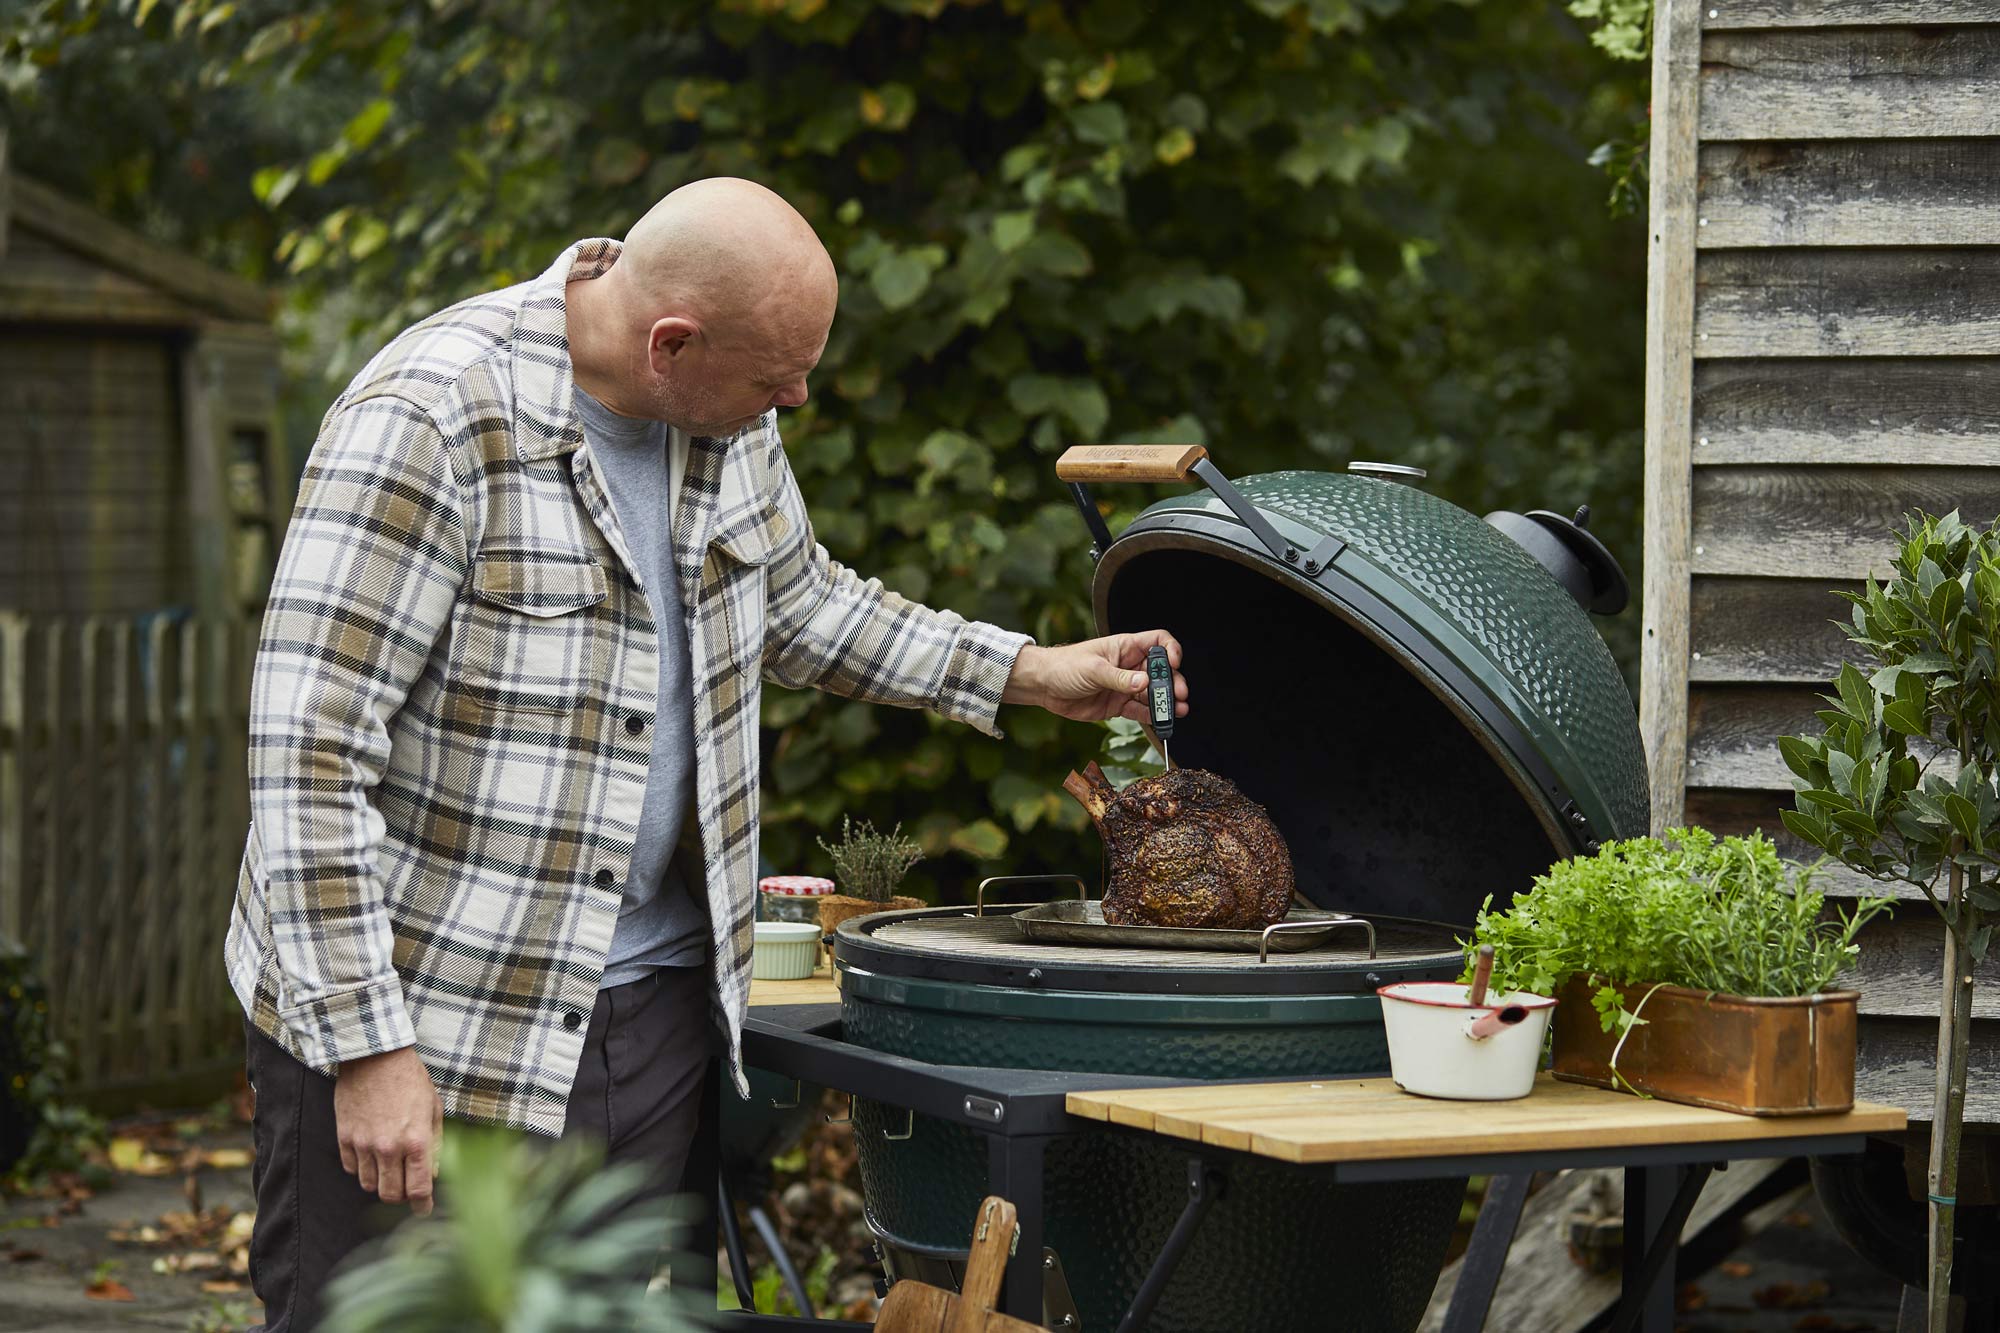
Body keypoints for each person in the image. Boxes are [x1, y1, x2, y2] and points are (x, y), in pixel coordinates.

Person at [224, 176, 1189, 1330]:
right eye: (771, 376)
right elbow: (306, 751)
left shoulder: (723, 420)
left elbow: (805, 605)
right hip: (435, 1023)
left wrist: (1033, 672)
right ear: (671, 343)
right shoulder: (429, 417)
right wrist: (367, 1046)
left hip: (652, 1011)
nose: (791, 399)